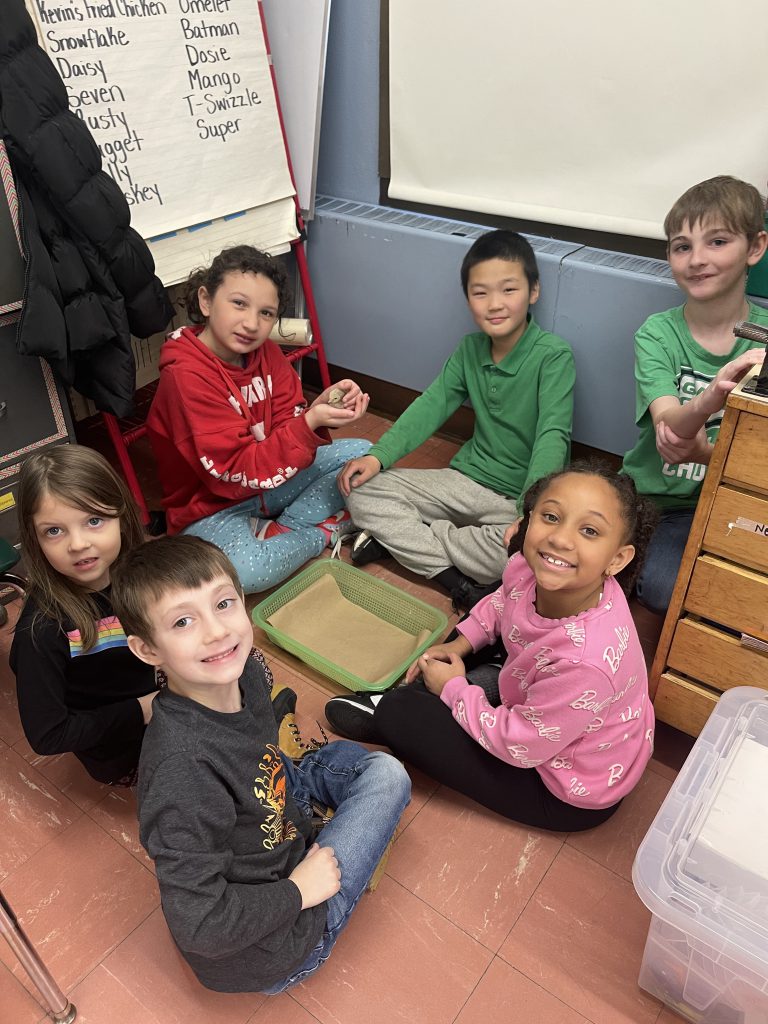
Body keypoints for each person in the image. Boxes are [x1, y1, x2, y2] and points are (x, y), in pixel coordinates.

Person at [110, 535, 410, 994]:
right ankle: (325, 835)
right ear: (148, 649)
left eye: (224, 603)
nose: (217, 631)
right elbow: (201, 925)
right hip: (274, 948)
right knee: (389, 778)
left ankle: (307, 797)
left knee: (365, 765)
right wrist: (300, 890)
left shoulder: (246, 666)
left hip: (270, 805)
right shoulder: (181, 770)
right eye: (184, 621)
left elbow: (256, 754)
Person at [325, 463, 658, 832]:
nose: (561, 539)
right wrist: (460, 644)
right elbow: (503, 601)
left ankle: (396, 707)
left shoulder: (586, 664)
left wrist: (453, 689)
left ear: (617, 559)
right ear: (527, 520)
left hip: (565, 791)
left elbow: (520, 744)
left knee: (403, 714)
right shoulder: (532, 566)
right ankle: (465, 685)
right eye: (551, 516)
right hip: (549, 710)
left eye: (589, 530)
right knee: (472, 632)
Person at [338, 229, 575, 610]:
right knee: (361, 490)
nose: (495, 304)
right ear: (468, 300)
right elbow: (430, 405)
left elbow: (553, 436)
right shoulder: (469, 350)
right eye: (481, 293)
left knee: (526, 552)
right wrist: (377, 456)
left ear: (533, 292)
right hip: (462, 480)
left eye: (508, 290)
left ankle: (409, 539)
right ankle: (457, 583)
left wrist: (529, 513)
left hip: (514, 499)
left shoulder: (554, 355)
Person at [146, 245, 372, 593]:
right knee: (247, 573)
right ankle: (321, 532)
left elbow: (287, 422)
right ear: (206, 301)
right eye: (239, 303)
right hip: (211, 507)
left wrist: (316, 414)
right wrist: (308, 424)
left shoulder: (263, 352)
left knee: (365, 453)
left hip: (270, 484)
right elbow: (235, 471)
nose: (252, 324)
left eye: (266, 313)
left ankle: (283, 529)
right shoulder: (185, 377)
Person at [622, 175, 768, 614]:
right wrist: (712, 396)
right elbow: (669, 427)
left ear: (755, 248)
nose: (697, 259)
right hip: (660, 502)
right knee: (670, 588)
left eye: (717, 241)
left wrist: (705, 454)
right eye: (682, 246)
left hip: (734, 498)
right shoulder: (657, 334)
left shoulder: (763, 338)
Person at [9, 445, 157, 785]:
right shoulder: (42, 630)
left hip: (162, 692)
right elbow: (48, 735)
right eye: (54, 531)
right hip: (124, 748)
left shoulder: (142, 570)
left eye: (94, 520)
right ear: (35, 538)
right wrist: (144, 708)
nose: (77, 544)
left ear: (121, 516)